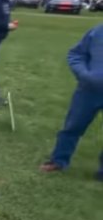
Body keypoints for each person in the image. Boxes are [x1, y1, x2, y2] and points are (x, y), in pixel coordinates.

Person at [39, 24, 103, 181]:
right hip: (89, 91)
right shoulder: (97, 32)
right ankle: (59, 161)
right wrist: (84, 74)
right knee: (73, 126)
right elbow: (76, 55)